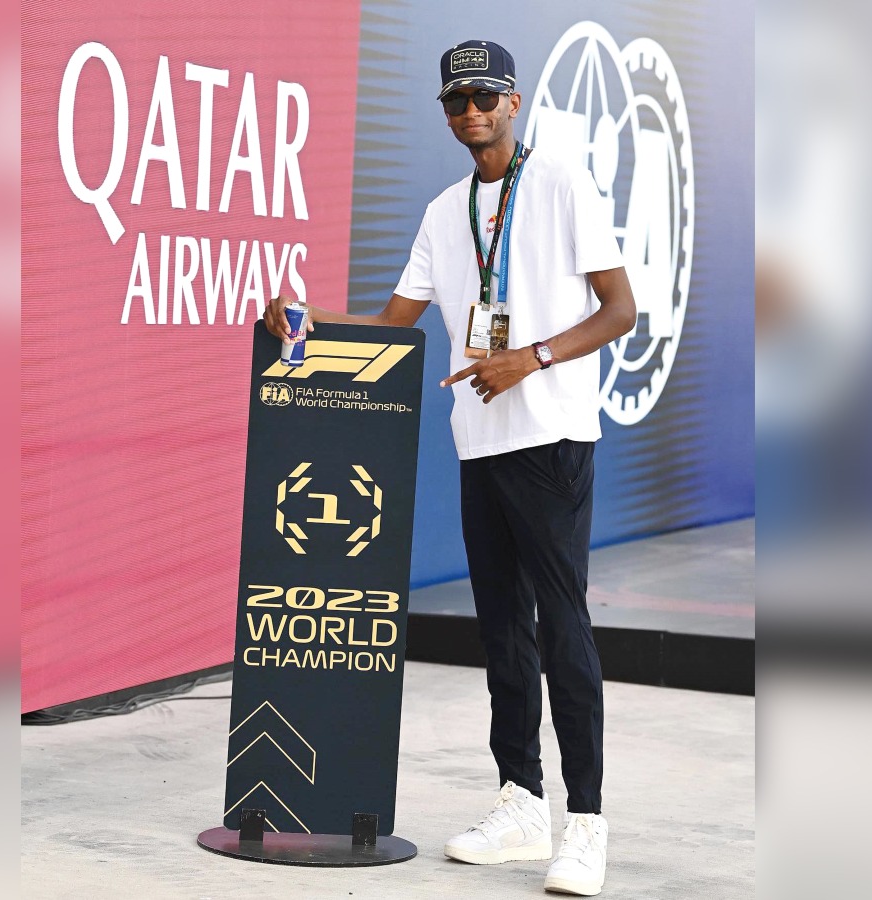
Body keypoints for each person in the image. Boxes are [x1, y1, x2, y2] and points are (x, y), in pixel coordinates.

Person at [263, 39, 636, 897]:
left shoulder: (563, 184)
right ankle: (520, 801)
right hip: (482, 441)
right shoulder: (444, 210)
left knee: (562, 627)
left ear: (514, 101)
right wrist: (306, 318)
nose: (470, 109)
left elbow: (620, 310)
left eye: (484, 94)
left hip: (551, 437)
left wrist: (530, 358)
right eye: (455, 99)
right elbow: (396, 326)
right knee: (502, 628)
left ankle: (587, 823)